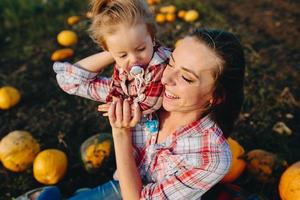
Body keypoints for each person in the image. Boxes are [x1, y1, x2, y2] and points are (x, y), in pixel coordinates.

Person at [17, 28, 245, 199]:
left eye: (186, 77)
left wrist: (121, 133)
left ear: (216, 96)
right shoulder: (145, 92)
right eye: (170, 62)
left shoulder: (211, 157)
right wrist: (124, 51)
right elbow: (69, 80)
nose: (165, 79)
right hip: (120, 184)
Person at [53, 0, 171, 115]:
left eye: (140, 49)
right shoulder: (122, 69)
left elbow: (151, 103)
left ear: (152, 37)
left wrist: (120, 108)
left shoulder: (159, 63)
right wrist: (114, 51)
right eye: (123, 55)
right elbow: (68, 81)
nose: (134, 59)